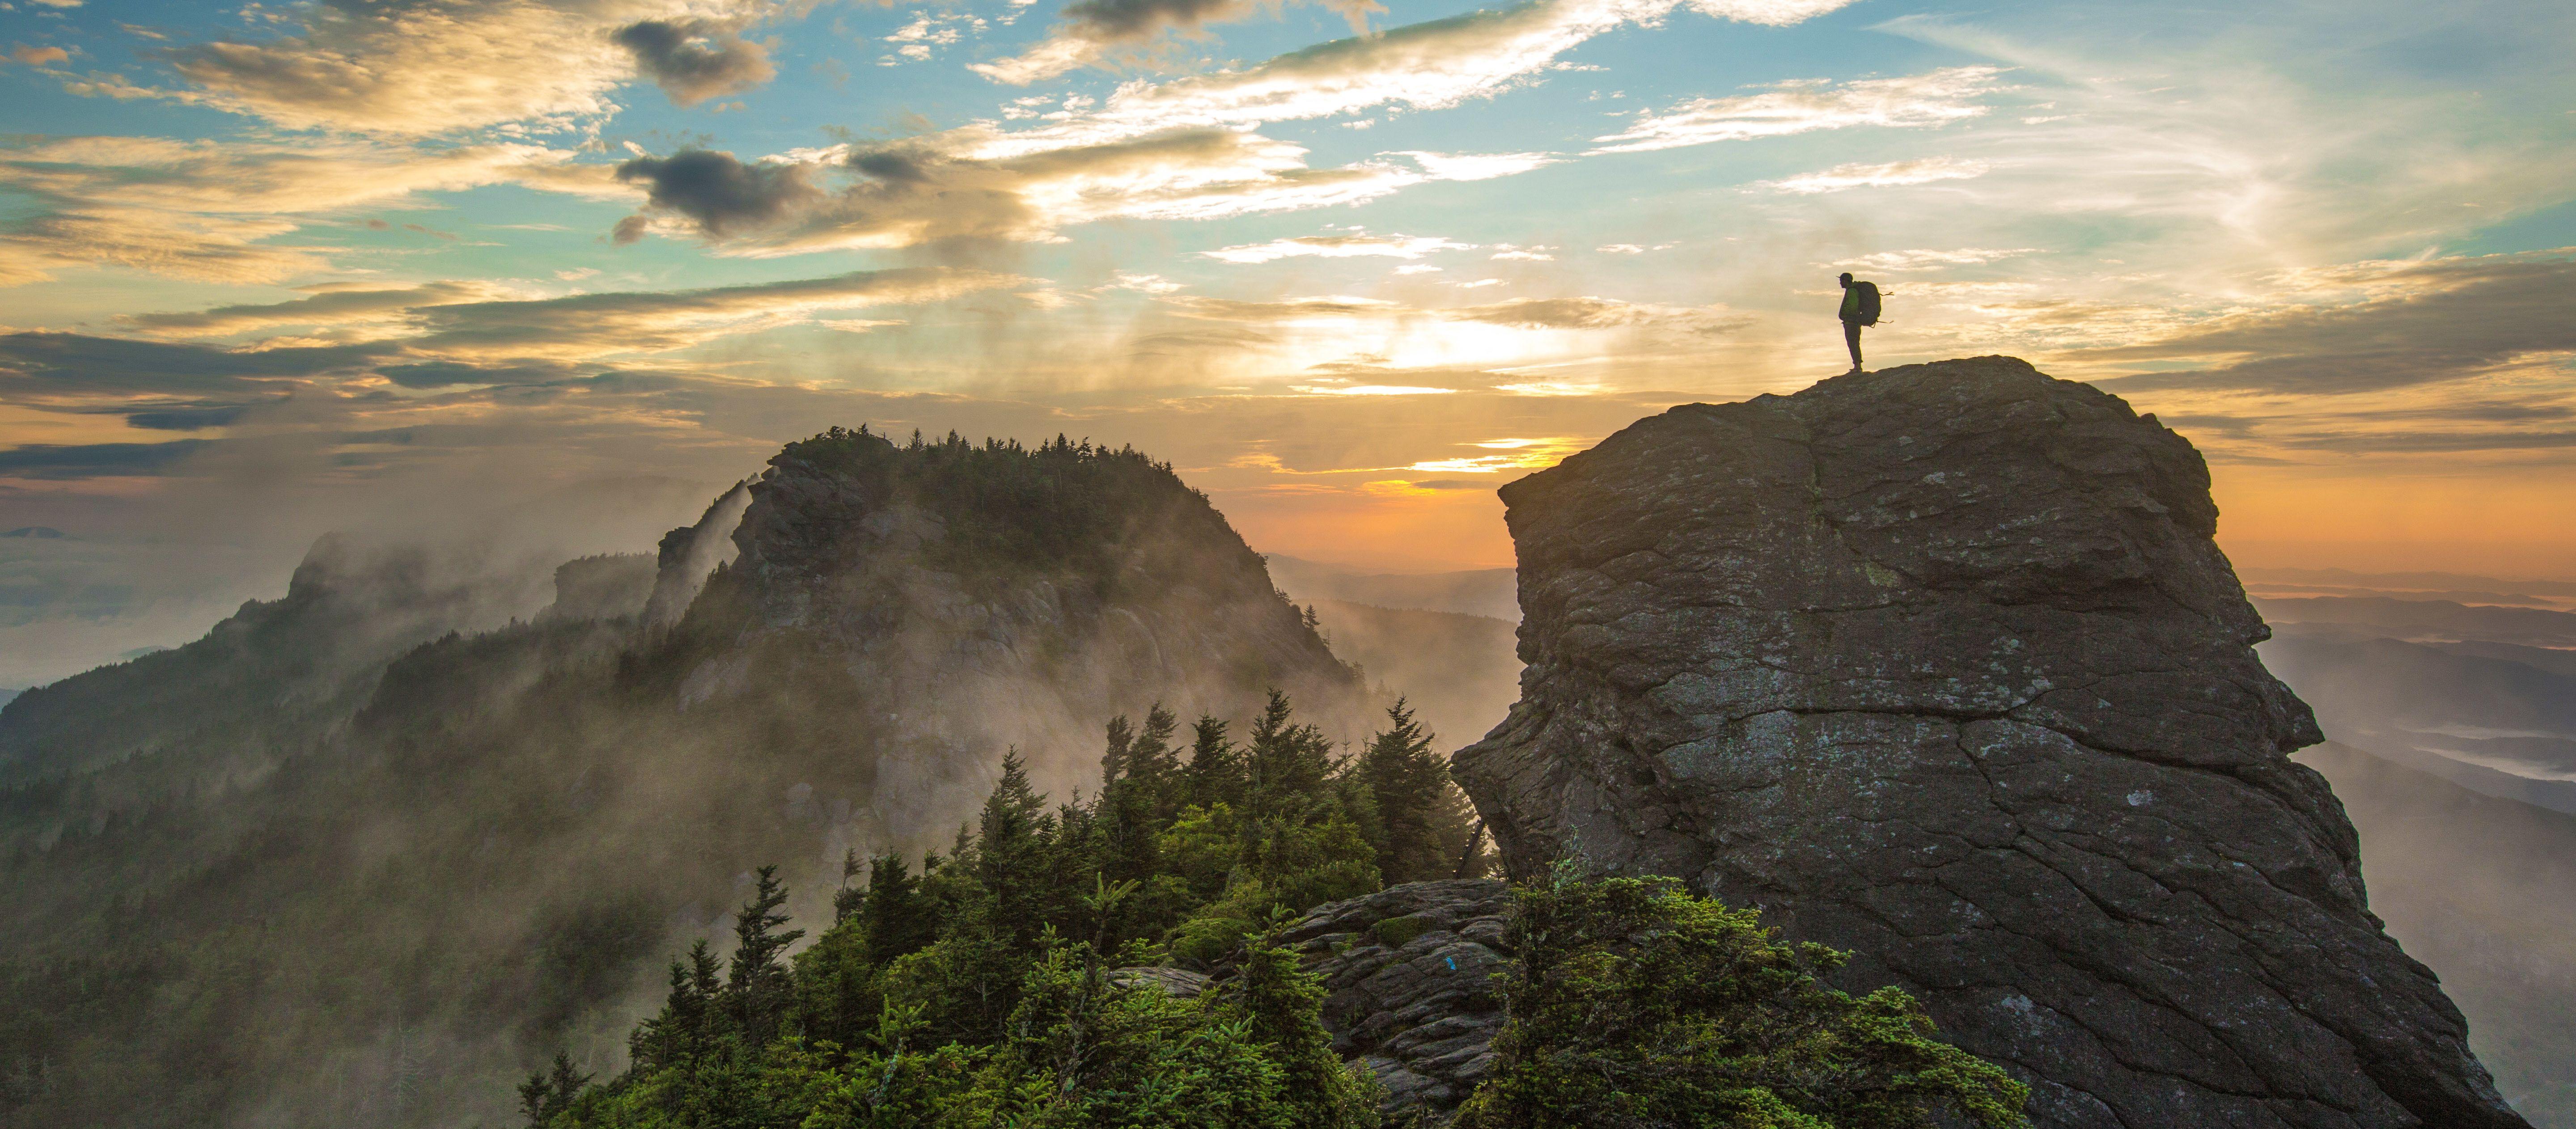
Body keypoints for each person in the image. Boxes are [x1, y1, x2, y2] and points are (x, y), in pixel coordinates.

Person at [1835, 272, 1882, 373]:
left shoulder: (1852, 291)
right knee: (1854, 343)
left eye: (1841, 281)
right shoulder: (1852, 290)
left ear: (1846, 280)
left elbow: (1853, 306)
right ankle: (1857, 365)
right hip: (1853, 322)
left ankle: (1857, 366)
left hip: (1852, 322)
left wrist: (1847, 316)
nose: (1840, 283)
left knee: (1853, 343)